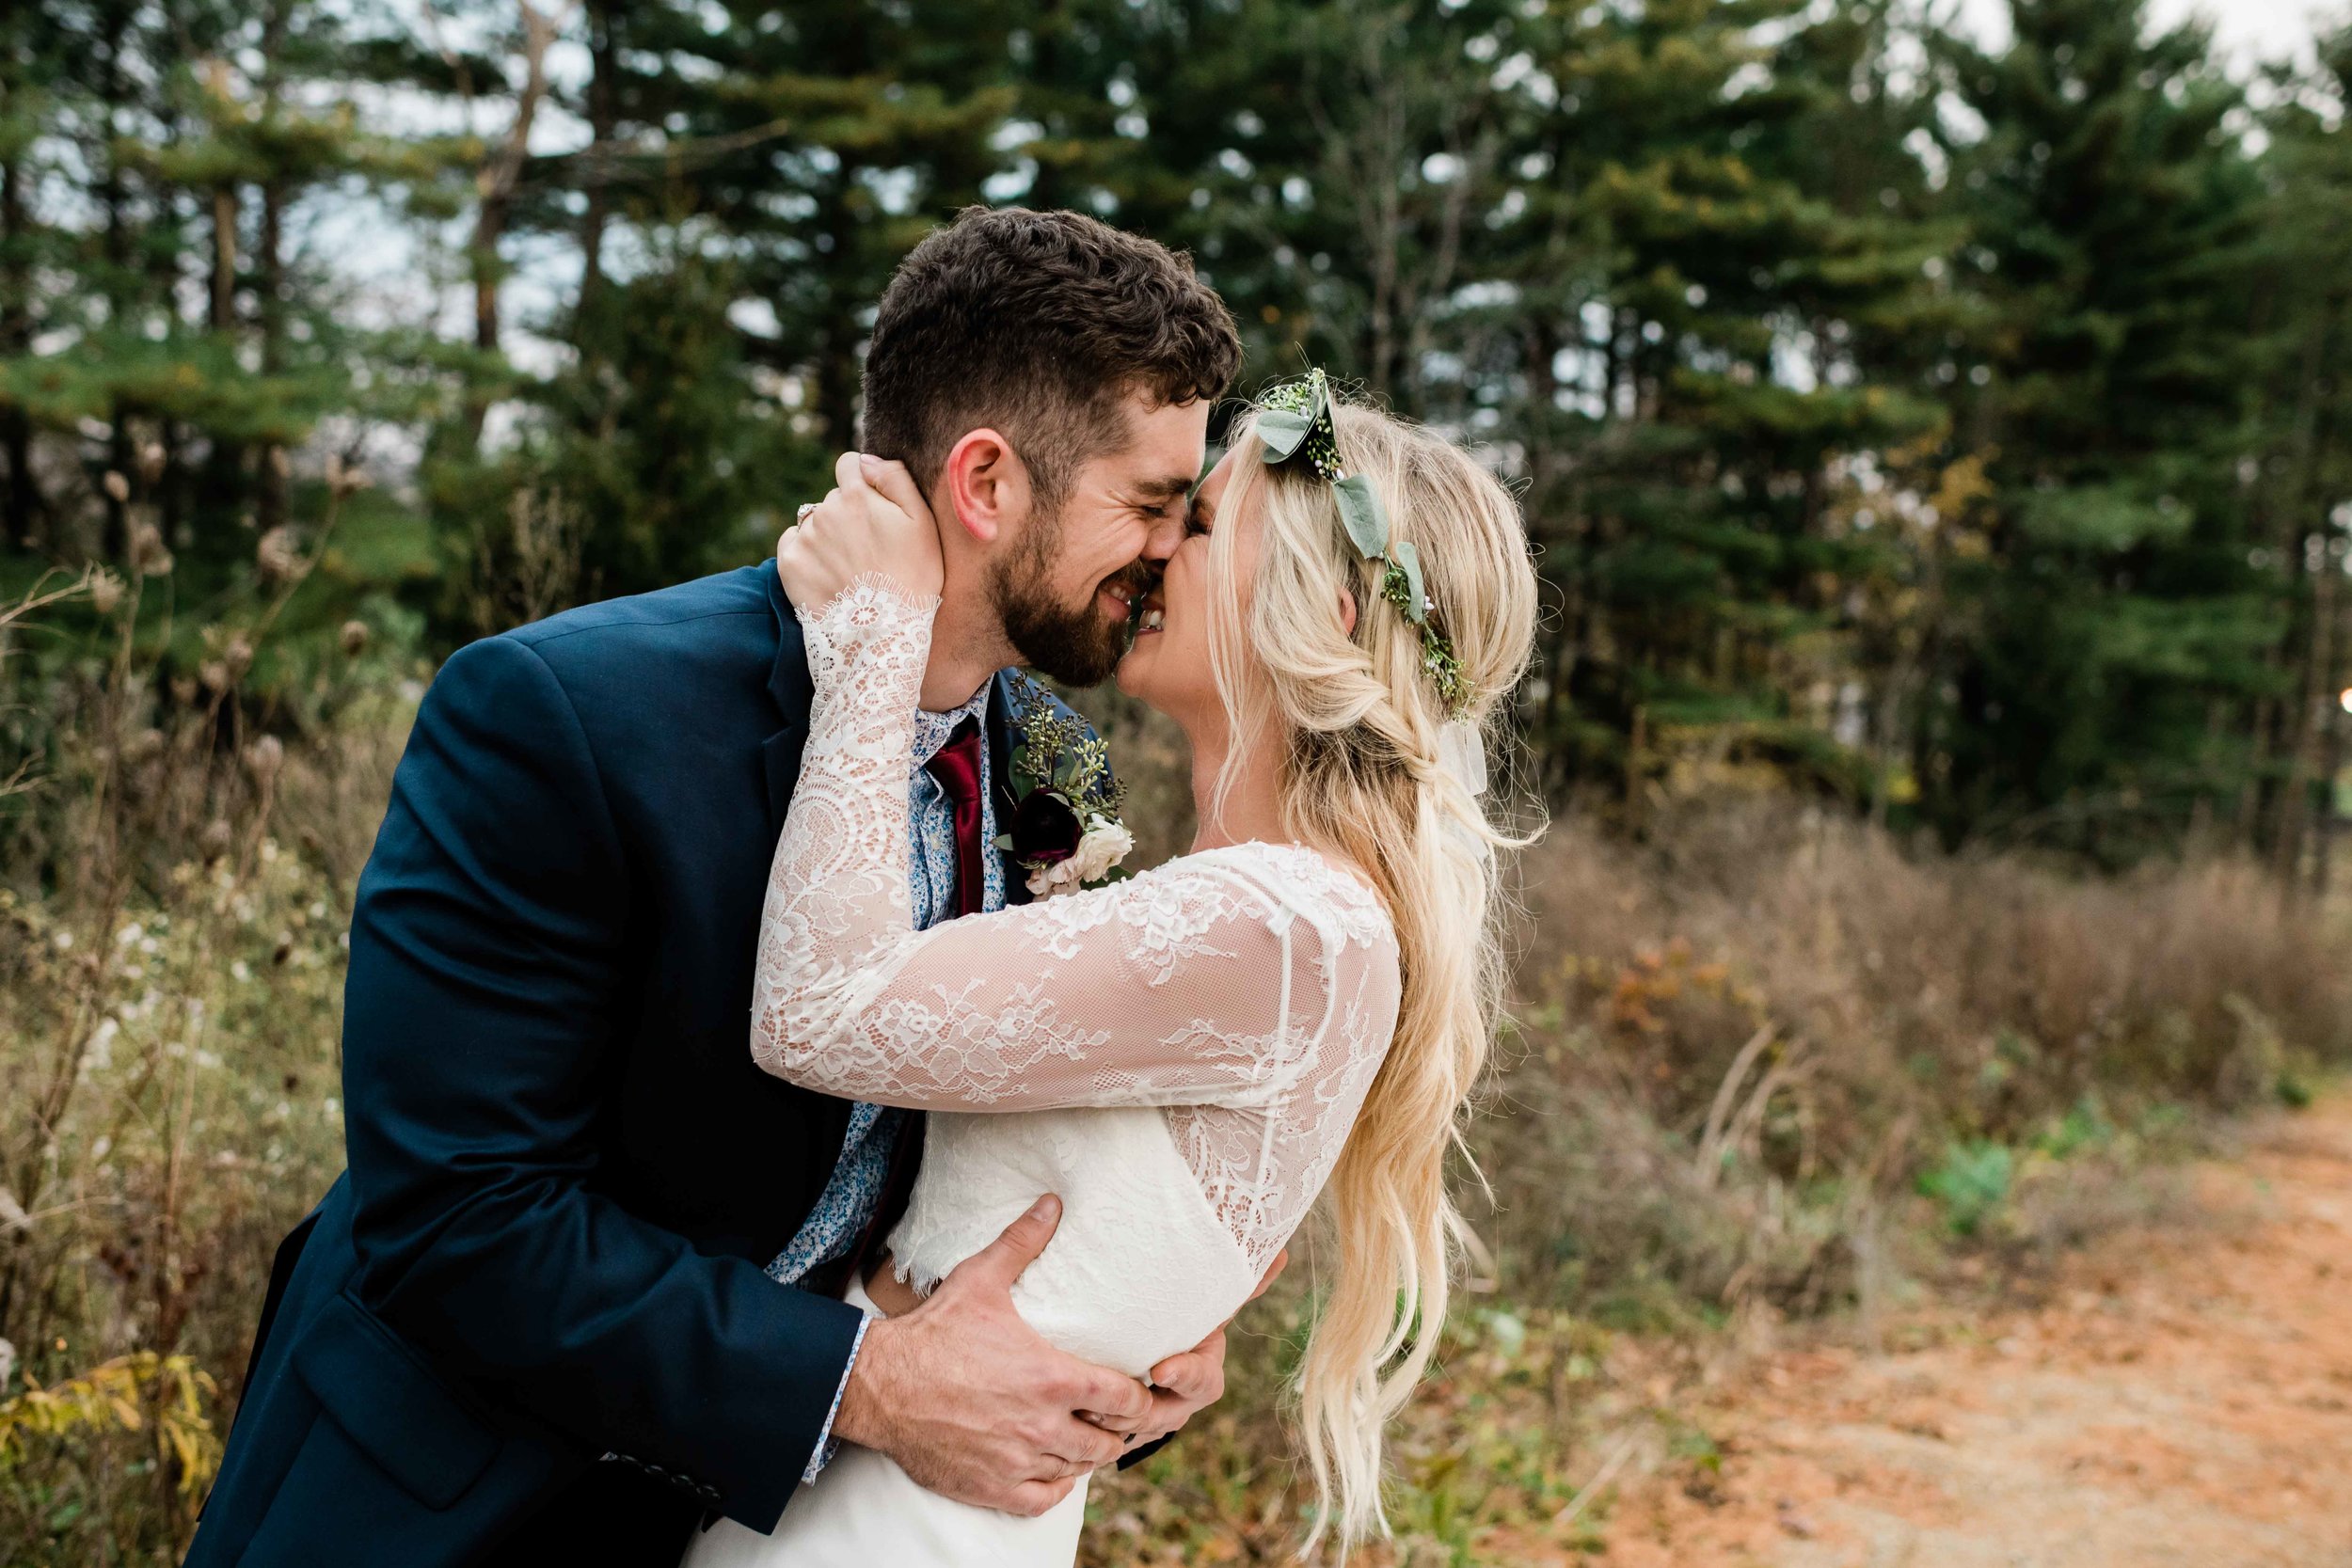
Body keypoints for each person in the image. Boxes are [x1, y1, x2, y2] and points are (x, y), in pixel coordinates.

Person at [183, 207, 1248, 1568]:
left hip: (789, 1523)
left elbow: (987, 1169)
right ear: (988, 484)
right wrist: (868, 1381)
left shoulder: (1052, 762)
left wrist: (1132, 1340)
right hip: (464, 1498)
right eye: (1151, 502)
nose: (1172, 551)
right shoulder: (564, 713)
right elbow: (457, 1217)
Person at [686, 368, 1538, 1565]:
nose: (1159, 553)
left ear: (1328, 609)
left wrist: (874, 643)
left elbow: (820, 1013)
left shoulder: (1287, 927)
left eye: (1203, 524)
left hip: (894, 1525)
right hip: (884, 1488)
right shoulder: (1292, 917)